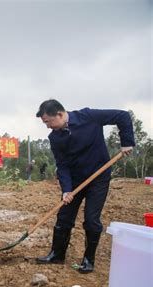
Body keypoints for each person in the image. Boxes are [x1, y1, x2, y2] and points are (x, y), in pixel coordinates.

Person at [35, 99, 134, 273]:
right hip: (74, 180)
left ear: (59, 114)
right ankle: (57, 255)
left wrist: (127, 141)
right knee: (64, 216)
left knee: (91, 219)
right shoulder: (55, 137)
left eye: (48, 122)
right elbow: (62, 165)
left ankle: (88, 260)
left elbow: (122, 116)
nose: (48, 126)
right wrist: (66, 190)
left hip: (98, 177)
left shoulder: (88, 117)